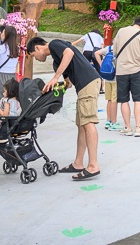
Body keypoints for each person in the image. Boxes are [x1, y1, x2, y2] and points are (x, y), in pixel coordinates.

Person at [28, 37, 102, 180]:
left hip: (88, 83)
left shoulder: (55, 44)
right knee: (81, 125)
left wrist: (55, 77)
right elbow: (68, 83)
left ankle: (93, 165)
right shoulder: (57, 61)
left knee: (88, 123)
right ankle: (78, 163)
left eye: (33, 56)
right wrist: (53, 87)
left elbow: (69, 53)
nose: (35, 59)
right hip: (83, 87)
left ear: (37, 48)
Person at [111, 16, 140, 137]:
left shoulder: (121, 31)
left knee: (123, 100)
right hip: (136, 70)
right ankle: (138, 128)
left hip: (121, 71)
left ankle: (127, 127)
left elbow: (114, 52)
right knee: (138, 99)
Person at [94, 42, 120, 131]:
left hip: (107, 77)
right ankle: (114, 122)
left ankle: (108, 120)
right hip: (116, 78)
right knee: (114, 100)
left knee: (109, 100)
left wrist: (101, 64)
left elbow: (96, 53)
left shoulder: (108, 48)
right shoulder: (120, 48)